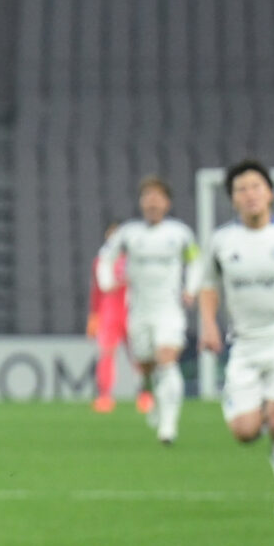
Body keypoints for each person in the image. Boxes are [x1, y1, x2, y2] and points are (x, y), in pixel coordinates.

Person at [196, 160, 274, 520]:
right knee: (245, 430)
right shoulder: (222, 241)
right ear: (233, 199)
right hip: (245, 347)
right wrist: (208, 324)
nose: (250, 194)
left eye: (256, 187)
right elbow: (209, 286)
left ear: (269, 193)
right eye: (241, 189)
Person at [97, 176, 200, 444]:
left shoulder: (180, 234)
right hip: (139, 311)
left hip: (169, 310)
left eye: (158, 197)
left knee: (167, 360)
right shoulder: (129, 233)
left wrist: (191, 288)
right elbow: (106, 256)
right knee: (145, 365)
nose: (153, 202)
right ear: (141, 202)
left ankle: (168, 426)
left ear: (167, 203)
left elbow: (195, 262)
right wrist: (107, 281)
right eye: (148, 197)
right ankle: (150, 393)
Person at [87, 221, 135, 415]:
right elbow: (99, 289)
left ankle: (146, 394)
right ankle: (105, 396)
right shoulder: (102, 259)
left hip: (132, 308)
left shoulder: (135, 257)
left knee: (140, 354)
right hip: (110, 310)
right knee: (106, 353)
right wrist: (94, 315)